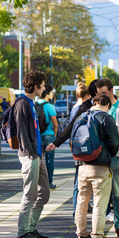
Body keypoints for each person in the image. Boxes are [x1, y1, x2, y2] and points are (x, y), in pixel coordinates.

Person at [47, 80, 98, 218]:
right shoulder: (84, 107)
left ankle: (102, 214)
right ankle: (78, 213)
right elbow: (72, 126)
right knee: (80, 182)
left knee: (98, 186)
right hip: (84, 149)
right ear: (94, 93)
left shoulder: (106, 105)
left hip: (99, 151)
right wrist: (57, 142)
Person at [74, 94, 119, 238]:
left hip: (81, 166)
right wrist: (108, 156)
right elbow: (114, 143)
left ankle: (81, 234)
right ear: (107, 105)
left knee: (82, 201)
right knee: (100, 201)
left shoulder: (80, 117)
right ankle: (98, 235)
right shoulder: (106, 118)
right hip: (100, 166)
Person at [16, 70, 51, 238]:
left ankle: (31, 226)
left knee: (44, 192)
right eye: (43, 85)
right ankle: (23, 231)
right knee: (30, 194)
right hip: (30, 156)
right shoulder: (22, 104)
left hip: (38, 154)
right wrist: (31, 153)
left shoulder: (32, 103)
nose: (44, 88)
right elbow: (21, 131)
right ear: (36, 86)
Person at [95, 79, 119, 238]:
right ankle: (99, 228)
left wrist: (111, 126)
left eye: (104, 93)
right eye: (99, 93)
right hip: (99, 156)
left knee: (117, 193)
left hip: (117, 155)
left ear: (111, 90)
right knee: (100, 193)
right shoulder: (96, 108)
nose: (101, 96)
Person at [37, 84, 58, 190]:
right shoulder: (50, 106)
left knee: (39, 160)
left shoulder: (35, 104)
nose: (52, 94)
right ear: (47, 93)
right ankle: (49, 182)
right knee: (50, 160)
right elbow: (55, 124)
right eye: (51, 92)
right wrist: (55, 135)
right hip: (49, 135)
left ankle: (39, 183)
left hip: (38, 136)